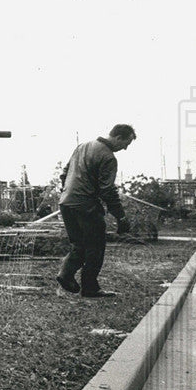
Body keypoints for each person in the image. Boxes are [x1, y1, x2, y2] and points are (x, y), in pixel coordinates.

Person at [56, 124, 136, 298]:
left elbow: (64, 174)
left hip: (66, 203)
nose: (125, 148)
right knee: (96, 246)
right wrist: (121, 217)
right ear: (118, 138)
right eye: (126, 144)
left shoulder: (82, 146)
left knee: (79, 244)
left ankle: (65, 274)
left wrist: (69, 193)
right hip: (85, 205)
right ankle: (90, 288)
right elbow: (107, 190)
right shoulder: (108, 157)